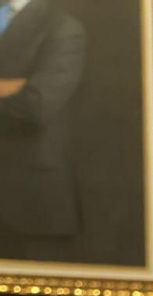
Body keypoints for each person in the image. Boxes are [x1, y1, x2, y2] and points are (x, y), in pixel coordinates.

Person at [0, 0, 84, 261]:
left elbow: (36, 105)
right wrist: (12, 86)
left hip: (27, 201)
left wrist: (24, 91)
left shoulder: (61, 26)